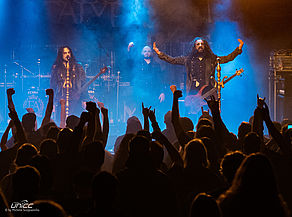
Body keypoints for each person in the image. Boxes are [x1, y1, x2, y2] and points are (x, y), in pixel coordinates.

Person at [153, 38, 244, 97]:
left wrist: (238, 49)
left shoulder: (212, 59)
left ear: (205, 46)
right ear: (194, 47)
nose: (200, 46)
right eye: (198, 44)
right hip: (193, 92)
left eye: (202, 44)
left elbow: (227, 58)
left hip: (209, 90)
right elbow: (172, 60)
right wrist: (159, 53)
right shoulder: (188, 59)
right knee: (192, 114)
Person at [50, 46, 86, 117]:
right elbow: (53, 85)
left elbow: (83, 84)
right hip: (61, 97)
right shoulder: (56, 68)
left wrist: (84, 99)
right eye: (65, 53)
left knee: (75, 118)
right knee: (61, 119)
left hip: (75, 97)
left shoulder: (78, 67)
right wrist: (52, 103)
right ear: (61, 55)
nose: (67, 55)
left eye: (69, 52)